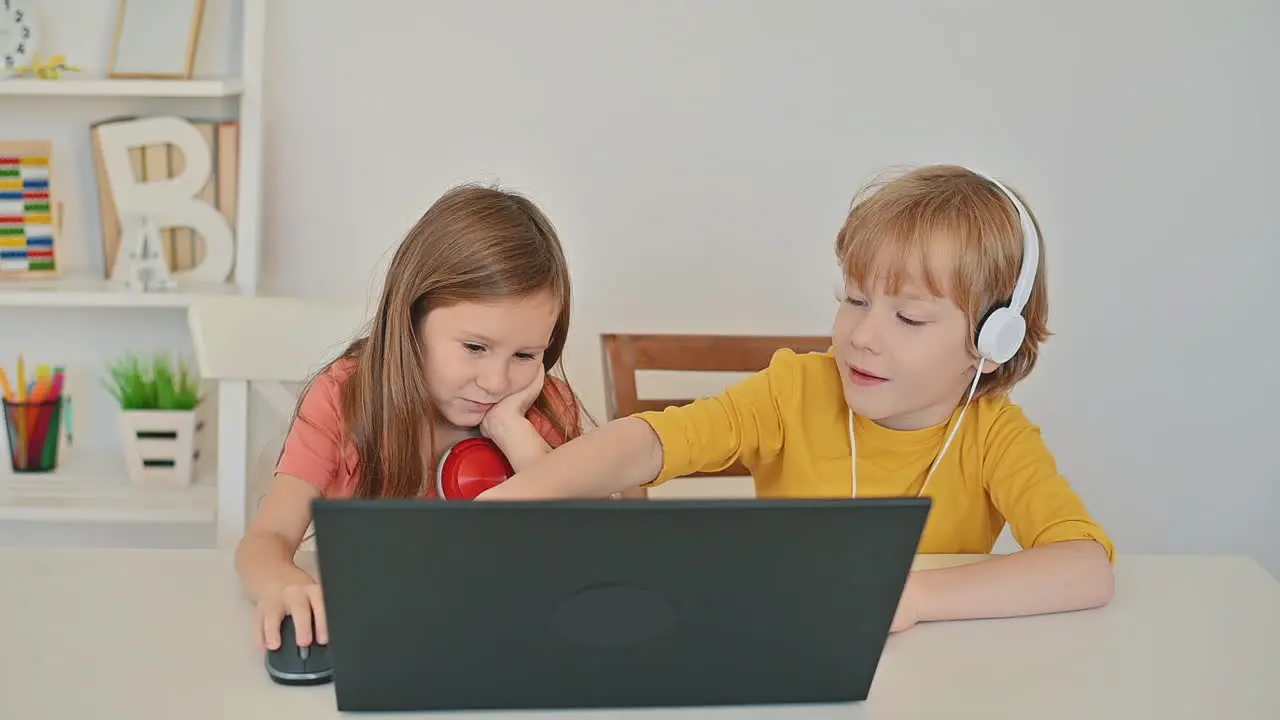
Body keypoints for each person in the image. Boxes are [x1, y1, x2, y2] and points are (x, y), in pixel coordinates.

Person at [479, 165, 1116, 632]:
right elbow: (648, 442)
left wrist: (913, 599)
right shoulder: (797, 391)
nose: (863, 337)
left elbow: (1086, 567)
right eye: (856, 300)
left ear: (990, 340)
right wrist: (507, 502)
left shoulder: (995, 436)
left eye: (910, 319)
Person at [235, 184, 595, 652]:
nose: (495, 381)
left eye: (526, 354)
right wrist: (283, 584)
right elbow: (266, 538)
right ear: (412, 321)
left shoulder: (543, 412)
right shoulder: (347, 397)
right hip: (385, 638)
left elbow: (591, 553)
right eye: (475, 347)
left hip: (505, 643)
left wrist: (514, 434)